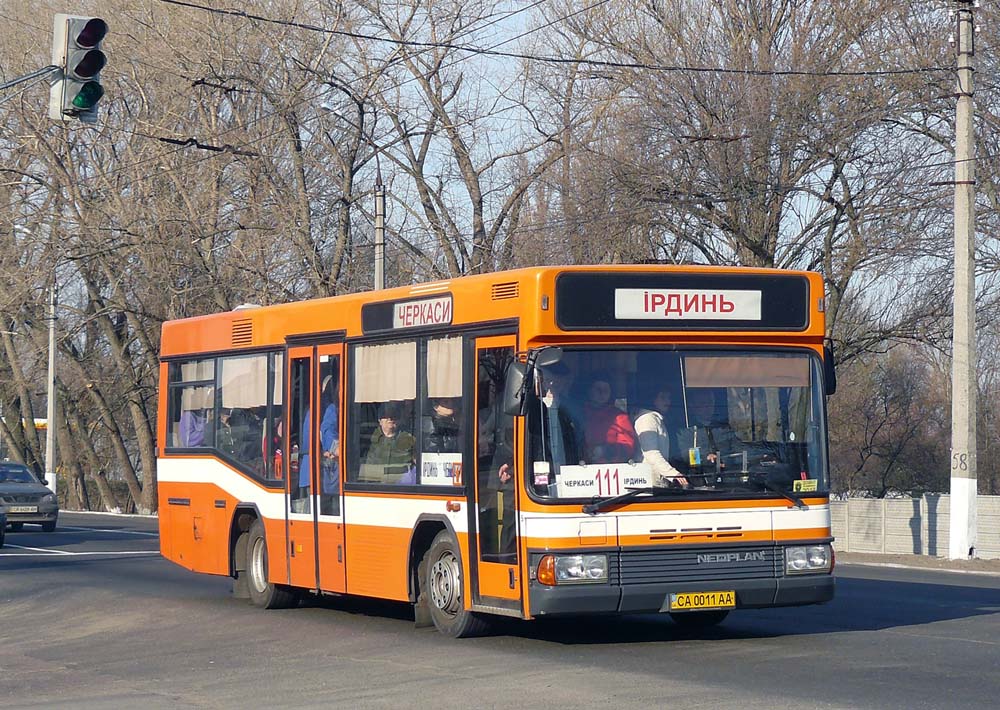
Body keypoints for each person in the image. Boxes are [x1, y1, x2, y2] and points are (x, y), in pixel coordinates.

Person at [675, 388, 743, 475]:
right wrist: (706, 458)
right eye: (703, 403)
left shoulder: (723, 428)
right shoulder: (685, 432)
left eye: (711, 402)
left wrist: (757, 453)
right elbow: (686, 456)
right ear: (693, 406)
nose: (708, 406)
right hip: (699, 479)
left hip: (727, 477)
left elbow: (737, 447)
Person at [633, 388, 688, 487]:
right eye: (662, 397)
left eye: (669, 398)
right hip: (649, 483)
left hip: (657, 480)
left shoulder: (657, 419)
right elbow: (651, 452)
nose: (667, 401)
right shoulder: (647, 419)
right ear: (652, 399)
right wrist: (673, 474)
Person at [581, 373, 637, 464]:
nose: (602, 393)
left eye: (606, 390)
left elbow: (628, 447)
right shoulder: (579, 414)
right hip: (579, 470)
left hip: (611, 470)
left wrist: (606, 451)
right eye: (598, 389)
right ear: (589, 391)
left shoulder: (619, 417)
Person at [365, 402, 416, 483]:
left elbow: (416, 464)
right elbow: (367, 471)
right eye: (385, 415)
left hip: (403, 488)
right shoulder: (371, 440)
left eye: (393, 415)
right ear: (380, 421)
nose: (390, 419)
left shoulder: (409, 439)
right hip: (377, 488)